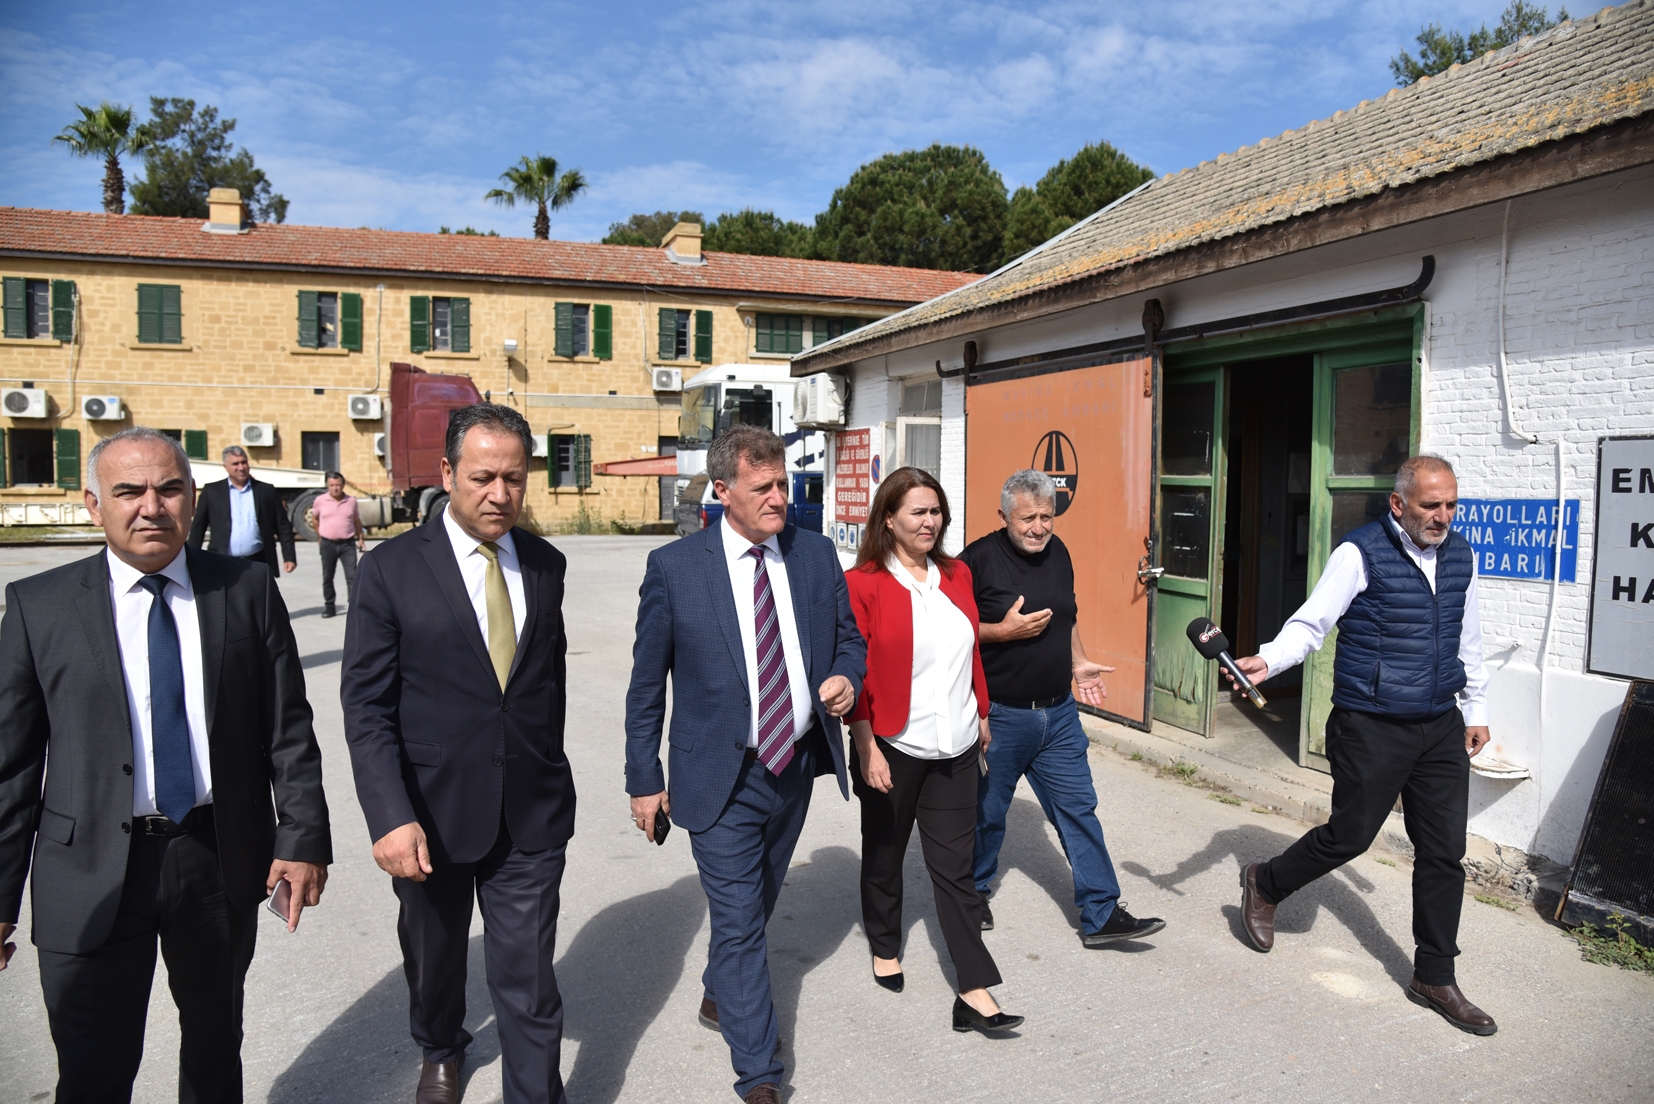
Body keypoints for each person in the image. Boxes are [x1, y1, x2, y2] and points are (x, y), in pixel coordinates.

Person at [0, 425, 332, 1102]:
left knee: (215, 1049)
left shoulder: (246, 589)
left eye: (169, 489)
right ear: (94, 505)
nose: (151, 507)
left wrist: (302, 838)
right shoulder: (39, 607)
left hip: (212, 858)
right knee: (92, 1069)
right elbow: (10, 765)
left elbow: (287, 729)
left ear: (191, 499)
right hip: (87, 869)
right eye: (129, 491)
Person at [341, 404, 575, 1104]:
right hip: (429, 817)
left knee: (529, 980)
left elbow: (546, 683)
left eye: (514, 478)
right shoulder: (390, 570)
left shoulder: (546, 565)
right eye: (482, 478)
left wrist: (549, 766)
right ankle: (440, 1045)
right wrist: (389, 815)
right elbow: (367, 707)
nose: (500, 494)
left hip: (528, 813)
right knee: (434, 956)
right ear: (446, 473)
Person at [624, 423, 864, 1104]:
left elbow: (849, 640)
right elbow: (647, 687)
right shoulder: (675, 569)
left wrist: (846, 677)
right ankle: (758, 1074)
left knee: (756, 902)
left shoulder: (814, 554)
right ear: (722, 490)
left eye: (783, 483)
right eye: (762, 487)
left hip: (792, 767)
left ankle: (718, 993)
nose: (779, 497)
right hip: (715, 776)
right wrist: (644, 779)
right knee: (736, 920)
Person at [1227, 454, 1497, 1036]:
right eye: (1430, 505)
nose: (1443, 516)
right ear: (1398, 503)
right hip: (1370, 723)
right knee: (1350, 836)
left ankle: (1435, 975)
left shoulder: (1461, 555)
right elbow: (1311, 624)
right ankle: (1265, 881)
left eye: (1451, 505)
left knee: (1444, 852)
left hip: (1439, 724)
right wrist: (1268, 660)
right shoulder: (1359, 553)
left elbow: (1466, 637)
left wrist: (1475, 708)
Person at [845, 466, 1024, 1036]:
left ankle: (974, 990)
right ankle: (884, 943)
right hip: (892, 745)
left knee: (955, 871)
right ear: (888, 518)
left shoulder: (957, 574)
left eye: (936, 511)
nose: (930, 521)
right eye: (917, 512)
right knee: (886, 853)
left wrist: (982, 711)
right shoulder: (864, 583)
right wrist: (866, 745)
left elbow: (970, 650)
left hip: (957, 746)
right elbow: (855, 671)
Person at [965, 470, 1166, 947]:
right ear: (1003, 516)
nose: (1039, 528)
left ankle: (1101, 913)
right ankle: (970, 893)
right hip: (1001, 716)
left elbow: (1067, 616)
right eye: (1027, 519)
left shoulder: (1059, 553)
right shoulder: (975, 562)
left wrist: (1079, 664)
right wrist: (1000, 632)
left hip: (1058, 716)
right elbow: (950, 631)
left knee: (1079, 810)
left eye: (1047, 517)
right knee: (987, 814)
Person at [187, 444, 297, 576]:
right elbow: (198, 529)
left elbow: (283, 526)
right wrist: (191, 560)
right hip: (221, 561)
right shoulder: (211, 491)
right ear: (225, 467)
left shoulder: (266, 491)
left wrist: (289, 557)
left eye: (244, 462)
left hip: (258, 561)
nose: (241, 467)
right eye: (235, 464)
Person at [311, 471, 365, 618]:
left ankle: (354, 608)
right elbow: (315, 519)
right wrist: (320, 535)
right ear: (327, 486)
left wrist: (361, 538)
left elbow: (356, 520)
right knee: (328, 576)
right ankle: (329, 606)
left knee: (352, 576)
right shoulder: (320, 500)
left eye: (337, 485)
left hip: (347, 544)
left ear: (343, 485)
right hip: (328, 544)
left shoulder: (351, 501)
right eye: (331, 485)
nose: (335, 488)